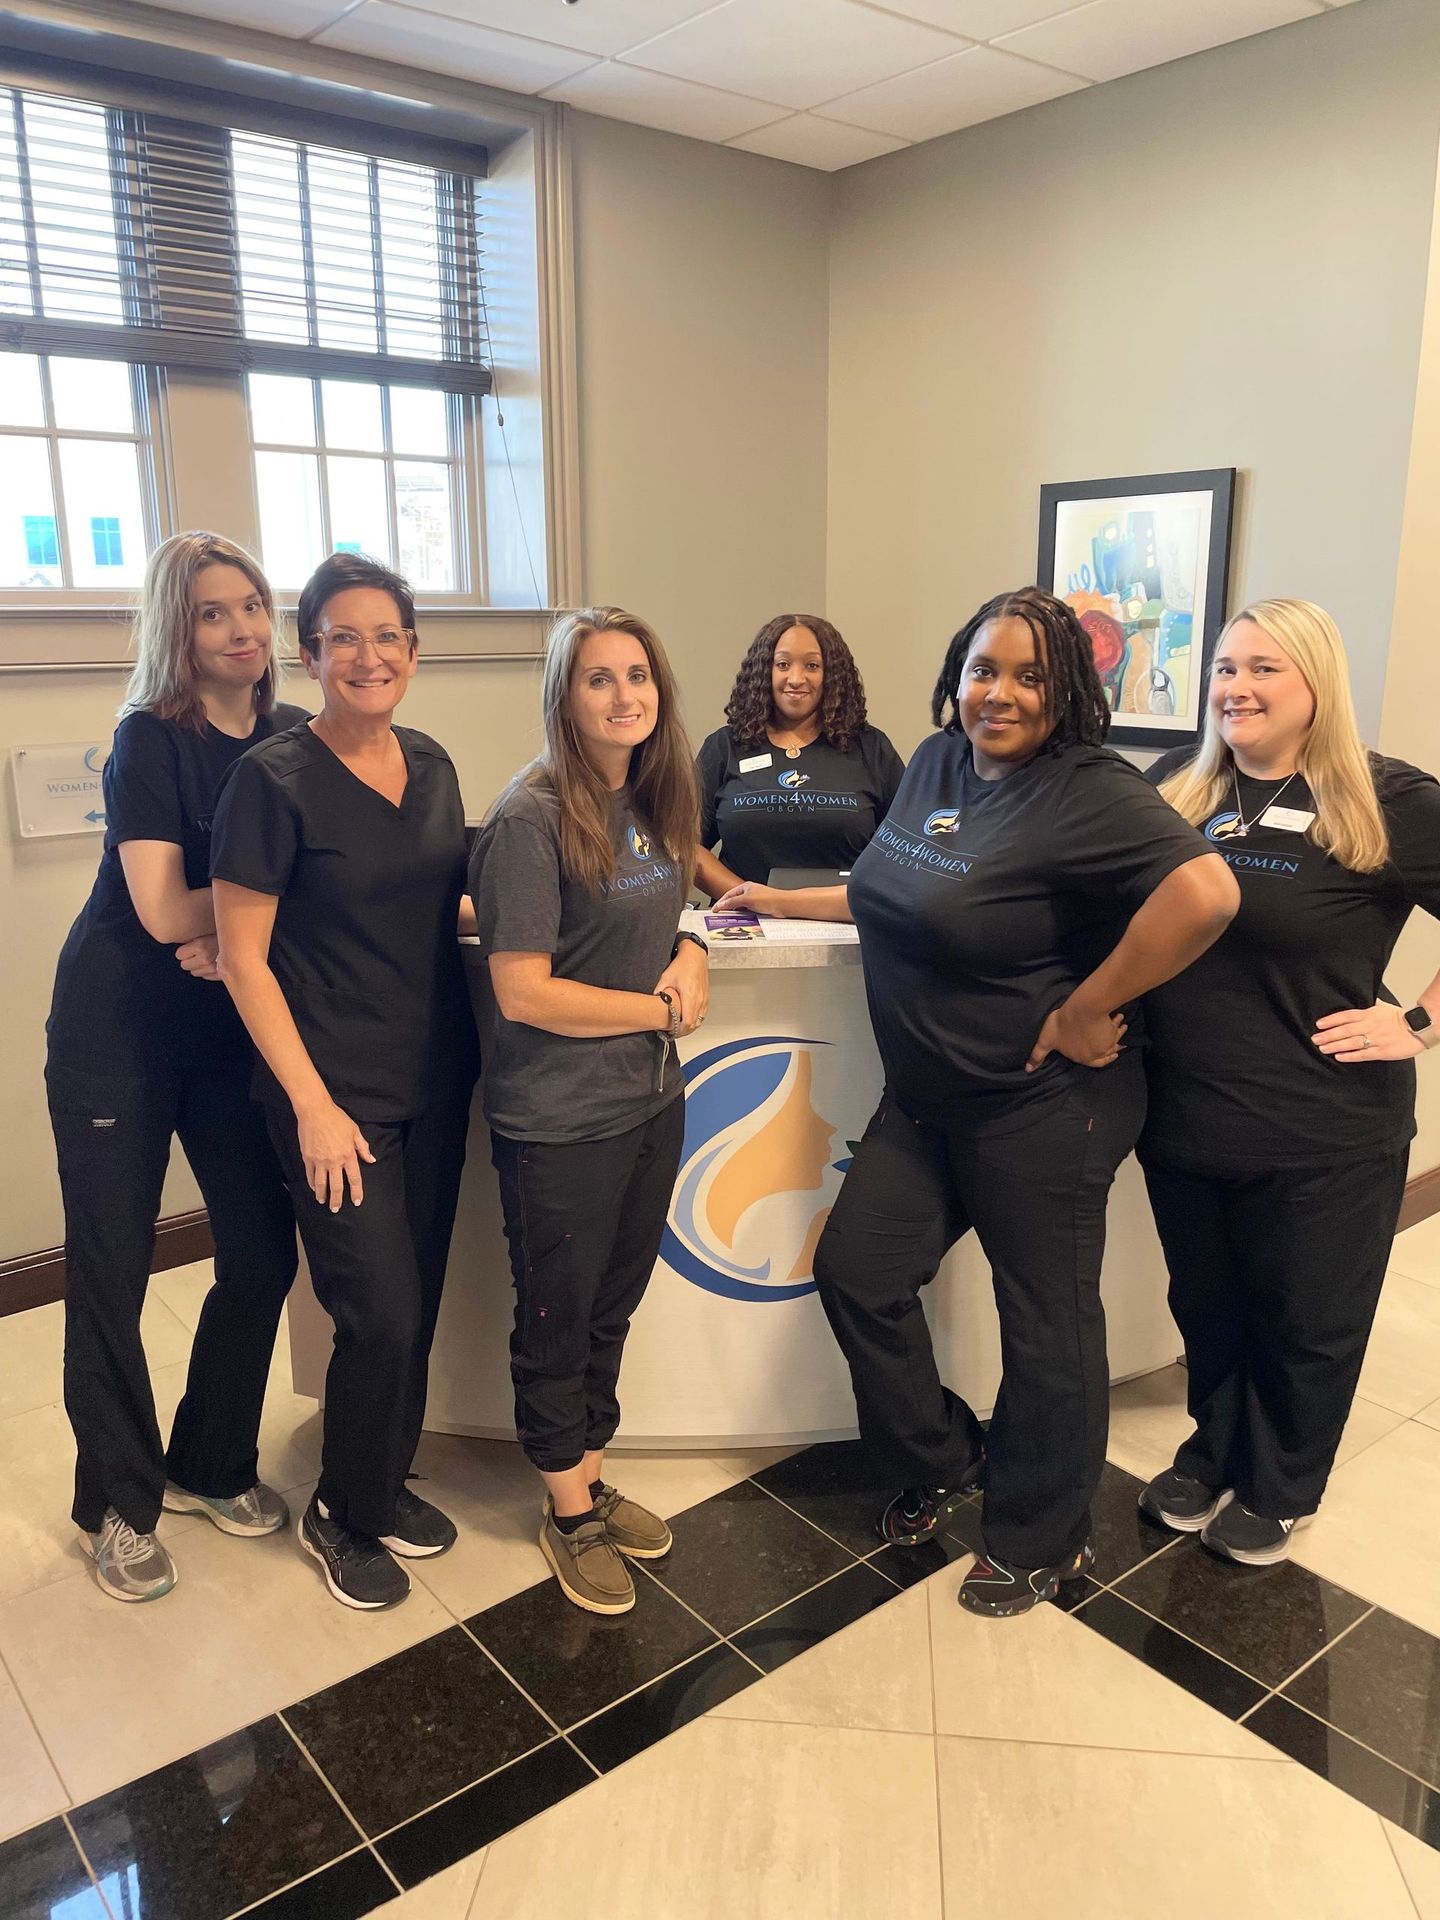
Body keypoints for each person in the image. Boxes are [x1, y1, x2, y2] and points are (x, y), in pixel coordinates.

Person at [813, 587, 1239, 1616]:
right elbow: (885, 883)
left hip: (1042, 1107)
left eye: (1027, 676)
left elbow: (1208, 891)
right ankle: (951, 1453)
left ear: (1067, 692)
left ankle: (1044, 1538)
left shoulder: (1087, 788)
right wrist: (770, 899)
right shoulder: (933, 762)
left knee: (1043, 1320)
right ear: (956, 674)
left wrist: (1095, 1002)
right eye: (982, 670)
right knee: (856, 1272)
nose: (998, 694)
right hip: (925, 1100)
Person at [1138, 599, 1440, 1565]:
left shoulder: (1386, 800)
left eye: (1265, 668)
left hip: (1325, 1127)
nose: (1237, 687)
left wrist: (1420, 1025)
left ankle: (1281, 1482)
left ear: (1318, 683)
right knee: (1208, 1305)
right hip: (1185, 1115)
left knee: (1306, 1318)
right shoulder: (1177, 791)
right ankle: (1212, 1448)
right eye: (1226, 668)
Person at [210, 551, 478, 1612]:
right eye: (344, 638)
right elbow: (241, 956)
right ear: (309, 652)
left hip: (433, 1077)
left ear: (414, 651)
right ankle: (338, 1511)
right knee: (380, 1313)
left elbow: (446, 905)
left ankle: (378, 1480)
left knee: (417, 1294)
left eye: (389, 637)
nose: (370, 656)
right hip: (332, 1095)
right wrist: (312, 1106)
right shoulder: (271, 781)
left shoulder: (435, 763)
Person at [46, 531, 304, 1603]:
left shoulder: (294, 735)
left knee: (259, 1249)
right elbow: (158, 911)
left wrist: (249, 920)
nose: (242, 627)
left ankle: (206, 1460)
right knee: (111, 1263)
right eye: (212, 611)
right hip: (119, 1029)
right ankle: (115, 1500)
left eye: (251, 604)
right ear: (177, 629)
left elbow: (324, 874)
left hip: (222, 1025)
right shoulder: (148, 740)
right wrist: (266, 901)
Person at [469, 606, 708, 1615]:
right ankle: (567, 1511)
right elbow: (521, 988)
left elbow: (677, 907)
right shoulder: (531, 817)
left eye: (639, 676)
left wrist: (692, 951)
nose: (625, 697)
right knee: (560, 1316)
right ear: (565, 696)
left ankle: (590, 1478)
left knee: (613, 1303)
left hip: (651, 1104)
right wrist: (654, 1005)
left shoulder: (651, 798)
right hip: (560, 1120)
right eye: (600, 679)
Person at [695, 613, 903, 923]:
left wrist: (783, 902)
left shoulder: (871, 749)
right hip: (745, 925)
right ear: (763, 672)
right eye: (782, 665)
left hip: (846, 928)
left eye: (812, 666)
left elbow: (906, 852)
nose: (795, 679)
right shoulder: (725, 747)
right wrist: (753, 899)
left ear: (832, 674)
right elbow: (685, 846)